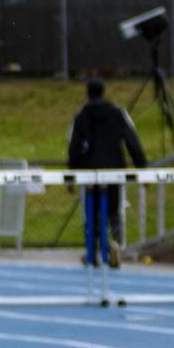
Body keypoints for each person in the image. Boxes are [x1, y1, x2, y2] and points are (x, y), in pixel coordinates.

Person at [66, 77, 147, 268]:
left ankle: (93, 251)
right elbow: (132, 141)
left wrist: (71, 176)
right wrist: (142, 169)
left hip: (89, 173)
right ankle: (116, 243)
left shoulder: (80, 117)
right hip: (114, 171)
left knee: (91, 213)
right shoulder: (118, 113)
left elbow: (74, 147)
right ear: (104, 92)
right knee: (113, 211)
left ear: (88, 93)